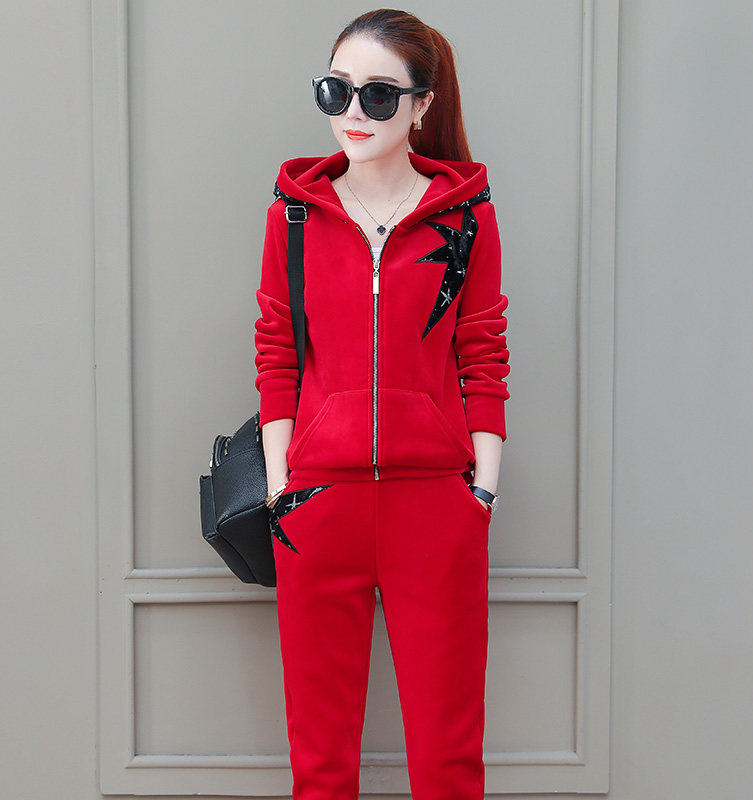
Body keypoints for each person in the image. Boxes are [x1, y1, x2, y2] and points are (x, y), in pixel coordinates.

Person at [253, 8, 510, 798]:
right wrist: (281, 485)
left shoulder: (465, 218)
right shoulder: (295, 215)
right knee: (320, 762)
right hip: (316, 506)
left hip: (435, 506)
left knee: (447, 759)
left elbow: (483, 353)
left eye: (378, 94)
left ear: (422, 105)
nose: (353, 113)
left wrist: (482, 489)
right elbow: (276, 353)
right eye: (337, 91)